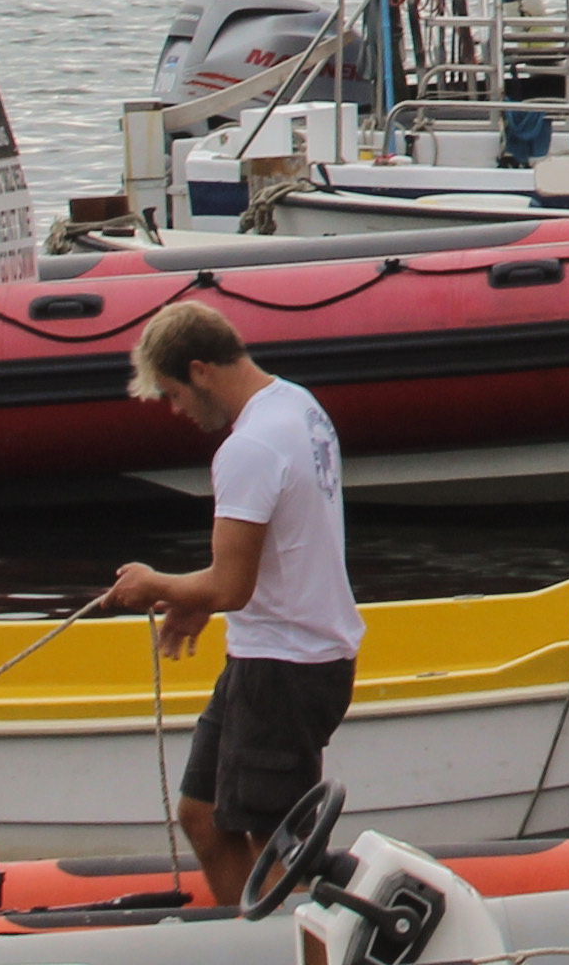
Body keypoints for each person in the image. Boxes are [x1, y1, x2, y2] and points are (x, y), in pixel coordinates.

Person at [98, 301, 364, 904]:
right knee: (202, 815)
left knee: (277, 848)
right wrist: (202, 600)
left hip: (285, 667)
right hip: (273, 656)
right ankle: (245, 938)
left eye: (173, 394)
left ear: (200, 371)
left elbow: (230, 587)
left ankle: (292, 938)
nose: (177, 410)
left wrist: (155, 584)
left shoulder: (249, 446)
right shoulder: (299, 405)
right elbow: (271, 555)